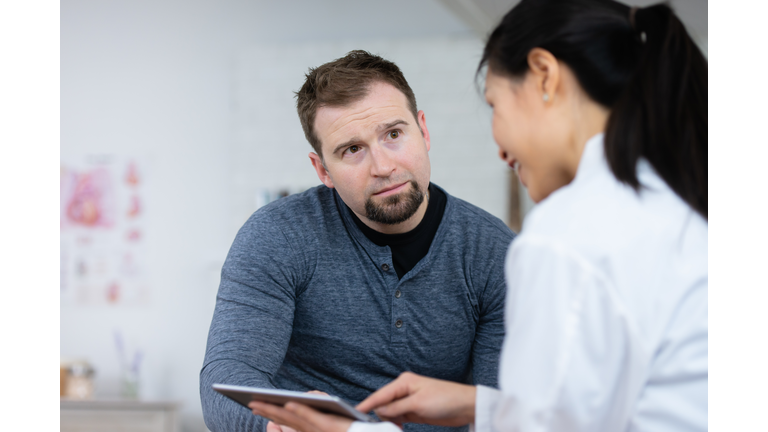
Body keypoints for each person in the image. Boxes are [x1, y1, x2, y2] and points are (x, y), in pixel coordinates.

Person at [246, 0, 708, 431]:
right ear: (322, 169)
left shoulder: (564, 236)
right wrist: (479, 405)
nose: (500, 145)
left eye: (495, 106)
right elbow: (586, 411)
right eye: (352, 150)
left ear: (545, 76)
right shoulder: (683, 202)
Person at [200, 51, 516, 432]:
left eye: (394, 135)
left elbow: (499, 413)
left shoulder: (494, 252)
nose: (383, 167)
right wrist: (274, 428)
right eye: (352, 150)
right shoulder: (277, 235)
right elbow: (229, 378)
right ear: (323, 170)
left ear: (424, 131)